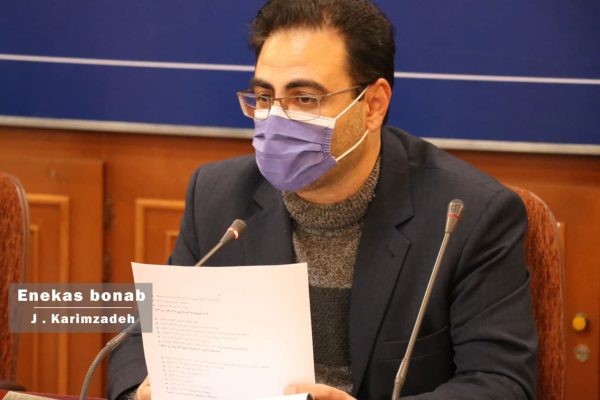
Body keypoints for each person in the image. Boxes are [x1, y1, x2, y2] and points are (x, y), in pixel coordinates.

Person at [108, 1, 538, 399]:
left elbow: (500, 383)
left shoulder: (466, 217)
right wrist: (142, 392)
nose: (276, 119)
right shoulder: (217, 197)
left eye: (304, 99)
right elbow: (141, 338)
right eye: (264, 98)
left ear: (373, 105)